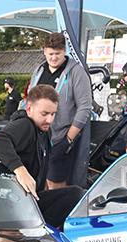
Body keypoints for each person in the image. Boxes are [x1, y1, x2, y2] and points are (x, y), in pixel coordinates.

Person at [0, 84, 85, 230]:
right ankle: (39, 232)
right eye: (44, 114)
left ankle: (43, 231)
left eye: (53, 114)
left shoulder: (45, 132)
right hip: (11, 203)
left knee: (75, 194)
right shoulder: (25, 124)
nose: (49, 120)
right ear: (29, 109)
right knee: (75, 193)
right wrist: (20, 170)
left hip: (30, 200)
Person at [26, 32, 92, 189]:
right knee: (38, 182)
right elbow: (30, 99)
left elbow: (84, 107)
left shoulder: (76, 72)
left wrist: (68, 140)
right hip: (37, 138)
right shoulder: (39, 70)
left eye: (57, 54)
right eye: (50, 54)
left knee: (56, 183)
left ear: (65, 51)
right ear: (44, 51)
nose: (54, 58)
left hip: (59, 137)